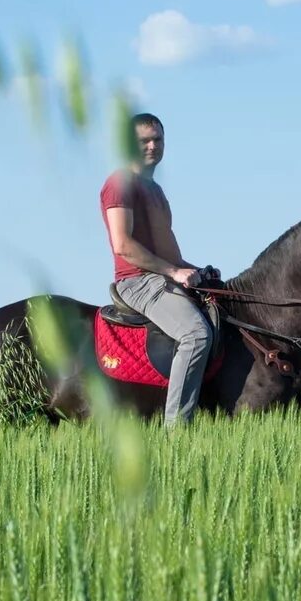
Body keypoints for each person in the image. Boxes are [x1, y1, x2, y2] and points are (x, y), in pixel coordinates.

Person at [100, 113, 213, 427]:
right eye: (144, 141)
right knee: (195, 334)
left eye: (157, 140)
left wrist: (196, 271)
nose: (152, 146)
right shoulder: (119, 184)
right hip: (137, 281)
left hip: (161, 274)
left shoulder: (156, 190)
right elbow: (123, 245)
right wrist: (173, 273)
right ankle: (176, 429)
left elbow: (168, 252)